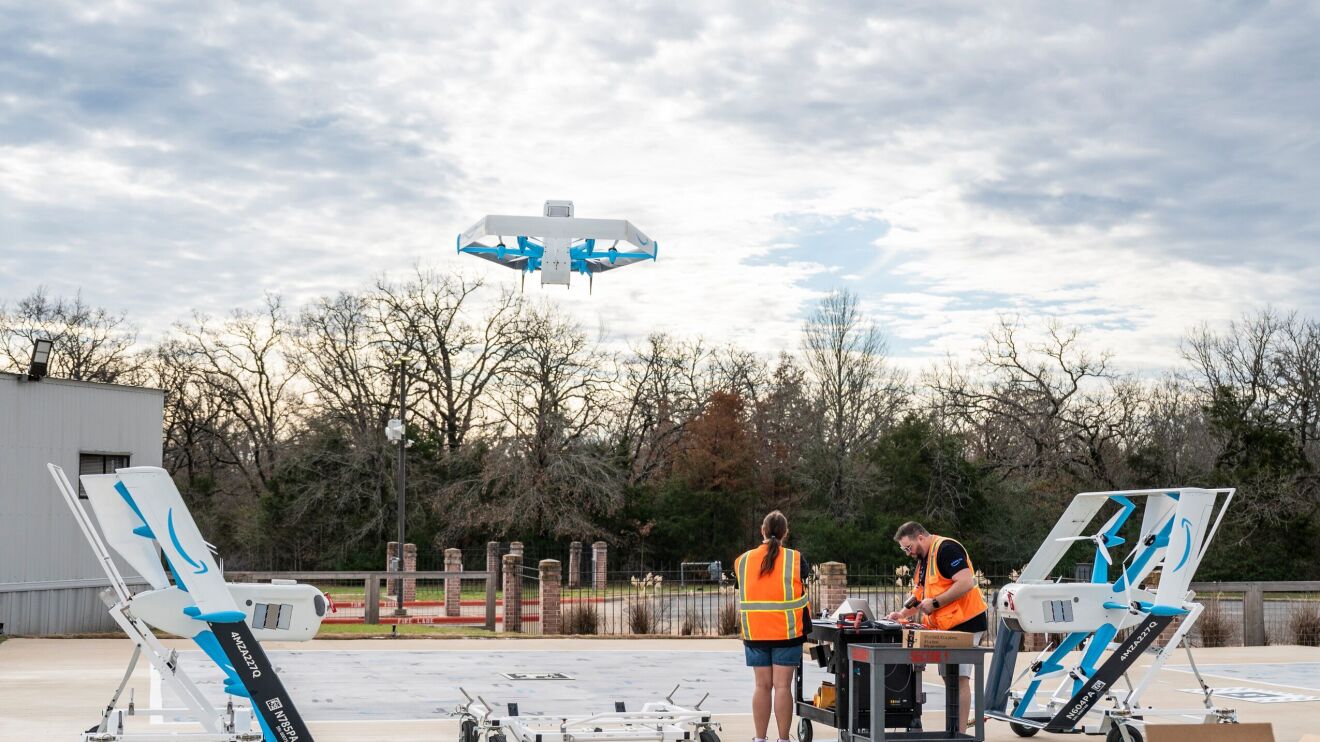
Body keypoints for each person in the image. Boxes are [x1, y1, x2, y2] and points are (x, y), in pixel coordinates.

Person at [886, 521, 987, 734]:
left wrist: (936, 603)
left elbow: (966, 582)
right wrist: (902, 614)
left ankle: (959, 734)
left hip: (966, 622)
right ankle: (954, 729)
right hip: (947, 626)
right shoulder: (924, 559)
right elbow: (919, 594)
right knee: (949, 677)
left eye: (908, 548)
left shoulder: (947, 549)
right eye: (904, 549)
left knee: (959, 678)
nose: (908, 553)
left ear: (920, 537)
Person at [734, 511, 811, 742]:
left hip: (756, 632)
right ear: (786, 533)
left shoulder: (743, 560)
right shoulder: (795, 559)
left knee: (761, 686)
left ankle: (759, 738)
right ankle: (783, 739)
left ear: (762, 531)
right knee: (782, 687)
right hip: (787, 633)